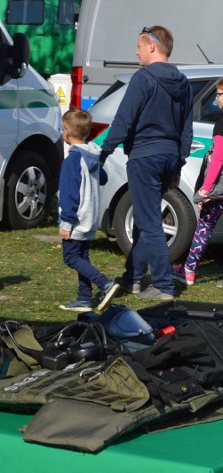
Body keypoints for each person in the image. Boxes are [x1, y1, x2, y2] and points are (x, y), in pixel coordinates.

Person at [100, 25, 193, 301]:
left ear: (152, 46)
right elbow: (185, 128)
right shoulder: (184, 82)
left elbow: (124, 119)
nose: (136, 51)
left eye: (139, 46)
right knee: (145, 217)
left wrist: (104, 152)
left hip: (144, 156)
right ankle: (133, 278)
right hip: (168, 158)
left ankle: (164, 284)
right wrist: (178, 162)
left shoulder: (143, 79)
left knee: (149, 219)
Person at [172, 76, 223, 290]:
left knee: (204, 226)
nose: (216, 99)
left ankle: (188, 270)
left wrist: (206, 189)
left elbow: (218, 159)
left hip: (220, 187)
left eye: (219, 94)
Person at [58, 109, 119, 313]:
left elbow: (69, 194)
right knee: (82, 258)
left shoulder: (72, 161)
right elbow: (103, 178)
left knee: (71, 257)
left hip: (76, 218)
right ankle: (84, 298)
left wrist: (66, 222)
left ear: (66, 133)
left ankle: (105, 283)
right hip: (90, 216)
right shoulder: (93, 155)